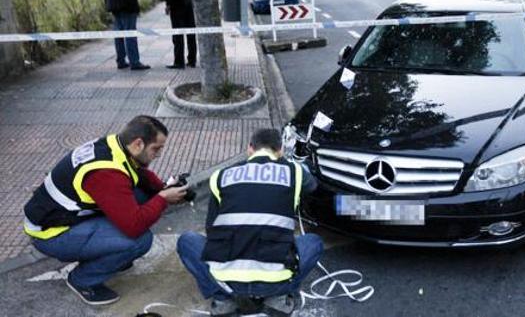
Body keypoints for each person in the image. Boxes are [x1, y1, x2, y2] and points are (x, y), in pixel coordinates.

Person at [23, 116, 189, 305]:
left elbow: (137, 172)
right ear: (138, 144)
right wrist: (162, 198)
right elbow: (133, 226)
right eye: (156, 149)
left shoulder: (114, 145)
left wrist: (162, 187)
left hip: (59, 216)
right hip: (52, 235)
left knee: (143, 196)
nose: (158, 154)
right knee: (140, 240)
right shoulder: (106, 174)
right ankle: (82, 280)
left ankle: (112, 254)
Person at [177, 129, 323, 316]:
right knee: (313, 242)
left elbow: (211, 229)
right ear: (279, 151)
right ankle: (278, 299)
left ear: (249, 149)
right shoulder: (294, 171)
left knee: (187, 241)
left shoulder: (221, 175)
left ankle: (223, 300)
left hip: (226, 282)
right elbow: (312, 186)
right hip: (276, 281)